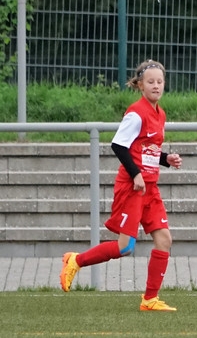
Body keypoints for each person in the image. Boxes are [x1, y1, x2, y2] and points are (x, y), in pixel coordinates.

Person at [59, 60, 183, 311]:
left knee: (164, 240)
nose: (156, 85)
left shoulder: (160, 114)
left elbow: (144, 148)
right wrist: (135, 174)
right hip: (133, 187)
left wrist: (165, 159)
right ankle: (76, 261)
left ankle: (149, 299)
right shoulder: (136, 113)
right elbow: (118, 145)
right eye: (150, 81)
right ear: (140, 85)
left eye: (160, 81)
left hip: (150, 187)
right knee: (125, 246)